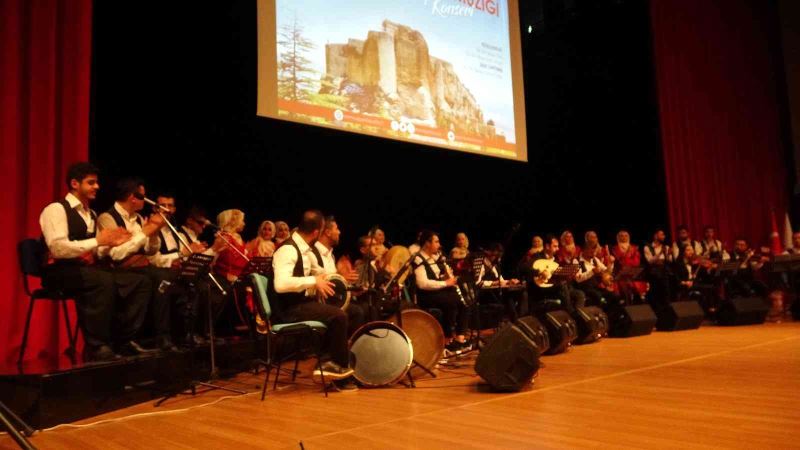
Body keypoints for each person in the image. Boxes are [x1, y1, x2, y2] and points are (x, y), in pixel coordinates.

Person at [40, 163, 152, 362]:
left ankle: (123, 340)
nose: (97, 187)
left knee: (138, 281)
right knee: (102, 281)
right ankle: (97, 345)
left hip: (85, 269)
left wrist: (110, 244)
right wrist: (99, 241)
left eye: (97, 182)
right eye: (91, 183)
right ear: (75, 184)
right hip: (58, 271)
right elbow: (58, 248)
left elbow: (96, 249)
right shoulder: (56, 209)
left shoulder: (90, 214)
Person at [272, 210, 355, 389]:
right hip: (288, 309)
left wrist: (328, 277)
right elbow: (280, 284)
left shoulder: (305, 250)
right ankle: (339, 372)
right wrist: (313, 281)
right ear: (317, 232)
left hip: (301, 304)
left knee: (343, 312)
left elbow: (317, 272)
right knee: (338, 316)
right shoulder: (288, 250)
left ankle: (327, 364)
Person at [96, 178, 178, 352]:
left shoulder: (139, 218)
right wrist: (144, 233)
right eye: (143, 196)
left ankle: (162, 336)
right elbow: (116, 255)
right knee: (150, 279)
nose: (145, 199)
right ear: (133, 197)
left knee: (165, 278)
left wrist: (153, 232)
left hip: (138, 268)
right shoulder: (107, 218)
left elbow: (149, 250)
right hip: (116, 270)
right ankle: (127, 338)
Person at [412, 230, 470, 354]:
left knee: (465, 300)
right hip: (426, 296)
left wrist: (446, 278)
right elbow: (422, 284)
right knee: (451, 301)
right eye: (436, 242)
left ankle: (460, 338)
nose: (439, 245)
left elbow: (436, 277)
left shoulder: (434, 258)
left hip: (437, 292)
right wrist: (446, 283)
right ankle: (447, 340)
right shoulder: (418, 258)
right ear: (427, 243)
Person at [312, 216, 366, 336]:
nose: (339, 232)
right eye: (337, 228)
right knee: (357, 311)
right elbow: (322, 280)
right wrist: (341, 278)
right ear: (327, 232)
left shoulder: (330, 255)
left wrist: (350, 288)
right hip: (319, 301)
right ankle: (342, 349)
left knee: (365, 307)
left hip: (332, 300)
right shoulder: (313, 252)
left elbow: (335, 281)